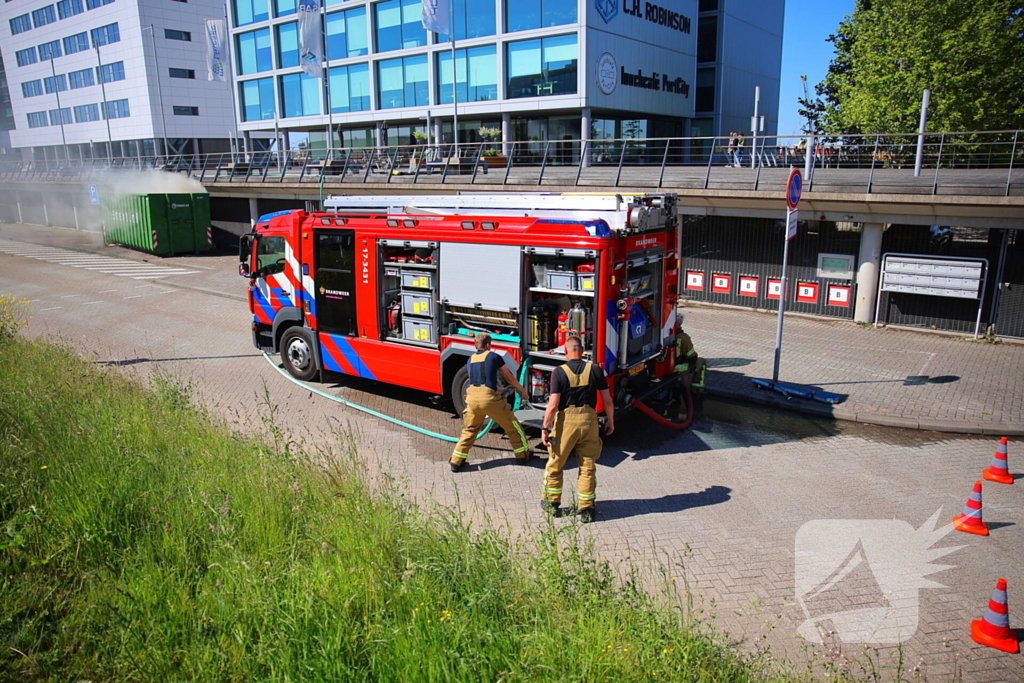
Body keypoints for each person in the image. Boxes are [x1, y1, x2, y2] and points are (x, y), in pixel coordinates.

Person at [539, 335, 614, 523]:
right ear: (581, 351)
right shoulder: (595, 370)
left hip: (566, 423)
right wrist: (611, 421)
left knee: (556, 463)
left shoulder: (559, 372)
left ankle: (551, 503)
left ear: (566, 351)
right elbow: (607, 400)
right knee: (587, 466)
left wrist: (545, 427)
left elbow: (553, 405)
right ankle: (586, 509)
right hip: (589, 422)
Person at [450, 333, 532, 472]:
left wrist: (502, 390)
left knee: (470, 430)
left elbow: (481, 383)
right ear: (488, 345)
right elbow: (509, 378)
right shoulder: (494, 356)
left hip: (472, 400)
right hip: (490, 401)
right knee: (513, 427)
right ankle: (522, 455)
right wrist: (522, 391)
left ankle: (456, 461)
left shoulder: (470, 359)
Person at [674, 326, 706, 398]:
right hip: (681, 370)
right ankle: (697, 391)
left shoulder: (663, 335)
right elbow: (692, 358)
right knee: (702, 362)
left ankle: (677, 387)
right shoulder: (683, 337)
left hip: (666, 370)